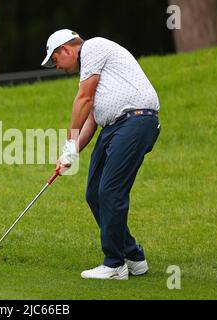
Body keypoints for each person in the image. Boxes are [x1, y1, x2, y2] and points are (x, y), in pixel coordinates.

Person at [42, 29, 160, 280]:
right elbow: (92, 120)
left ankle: (115, 264)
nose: (57, 67)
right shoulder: (93, 72)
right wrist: (70, 154)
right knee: (95, 192)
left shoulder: (93, 47)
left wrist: (68, 143)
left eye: (55, 60)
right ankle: (133, 257)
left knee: (110, 191)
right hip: (115, 126)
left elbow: (83, 99)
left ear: (65, 49)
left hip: (135, 122)